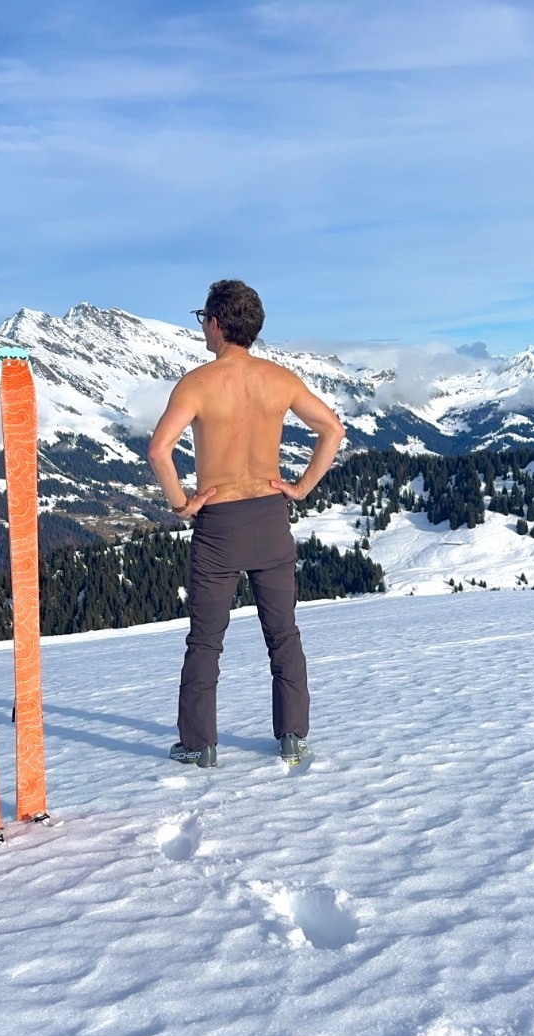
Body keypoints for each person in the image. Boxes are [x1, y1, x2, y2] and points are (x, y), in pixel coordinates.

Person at [147, 280, 346, 767]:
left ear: (215, 323)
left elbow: (159, 451)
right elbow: (333, 430)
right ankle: (293, 737)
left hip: (218, 524)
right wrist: (299, 488)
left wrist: (182, 504)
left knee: (205, 640)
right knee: (283, 634)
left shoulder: (197, 383)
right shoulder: (280, 379)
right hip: (270, 518)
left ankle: (199, 744)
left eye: (203, 320)